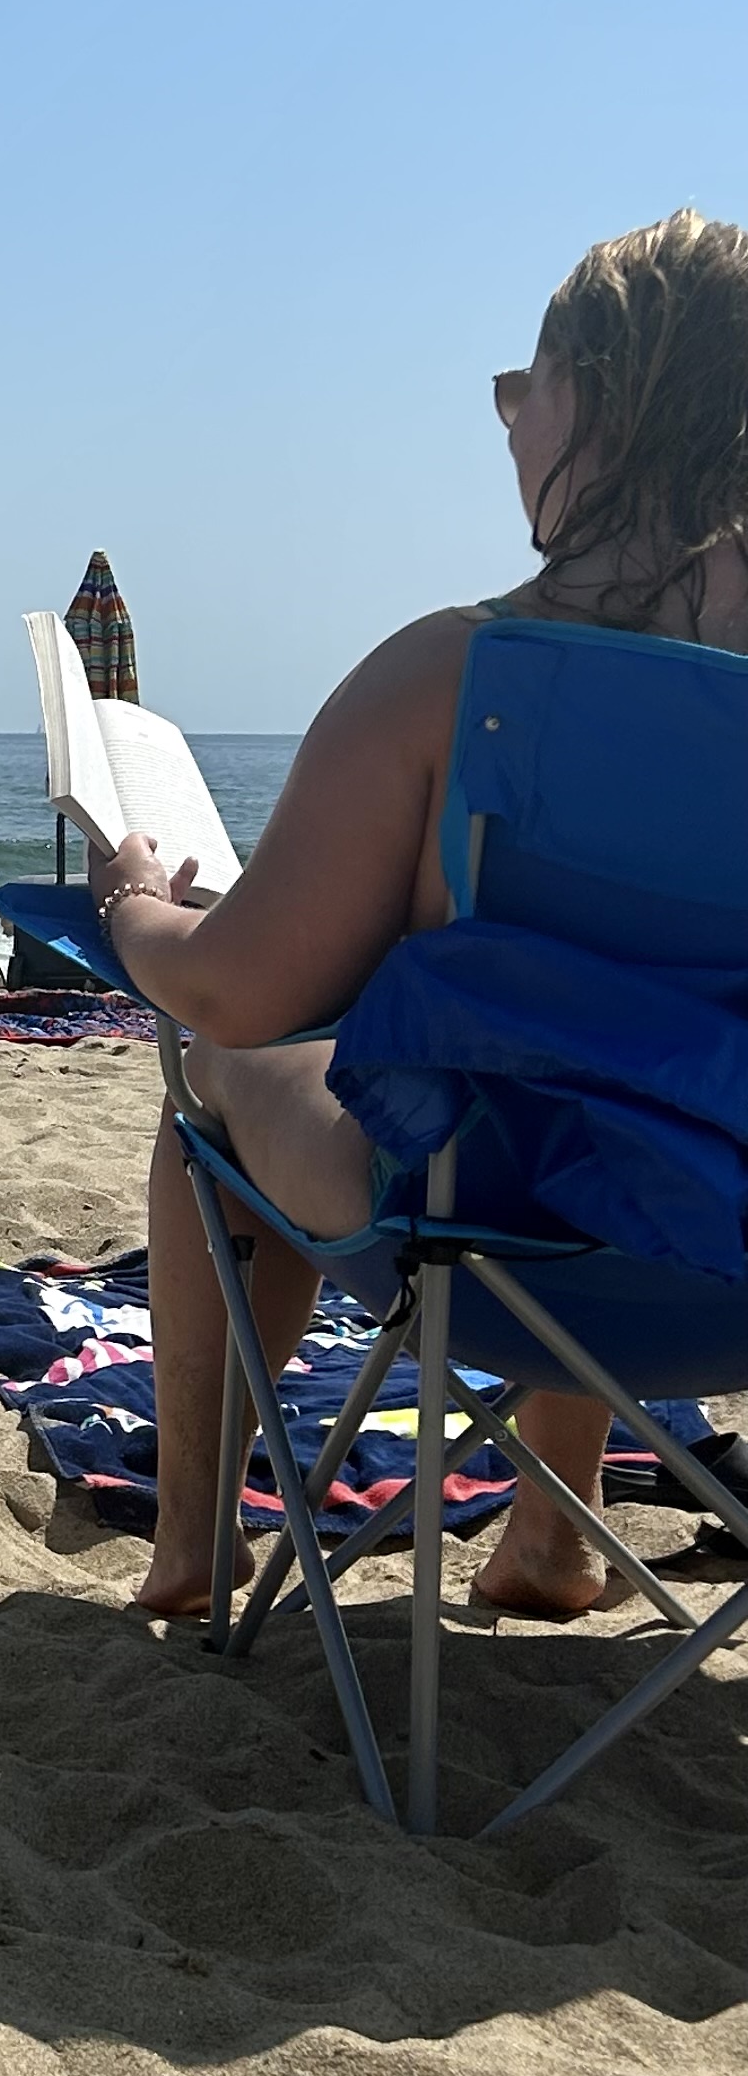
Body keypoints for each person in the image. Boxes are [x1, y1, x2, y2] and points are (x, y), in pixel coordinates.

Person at [101, 212, 748, 1624]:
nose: (509, 425)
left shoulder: (457, 676)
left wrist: (138, 910)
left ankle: (197, 1543)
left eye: (525, 389)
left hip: (485, 1232)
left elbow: (237, 996)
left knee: (207, 1081)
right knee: (617, 1068)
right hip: (724, 1247)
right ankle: (551, 1535)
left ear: (599, 401)